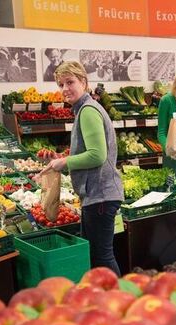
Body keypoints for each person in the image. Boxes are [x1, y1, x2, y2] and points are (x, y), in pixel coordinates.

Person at [38, 61, 124, 275]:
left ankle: (122, 299)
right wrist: (61, 157)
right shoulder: (85, 109)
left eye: (70, 82)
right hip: (97, 195)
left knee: (102, 257)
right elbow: (90, 153)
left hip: (100, 196)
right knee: (98, 256)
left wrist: (65, 162)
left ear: (84, 82)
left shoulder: (87, 110)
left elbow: (97, 155)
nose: (65, 88)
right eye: (60, 84)